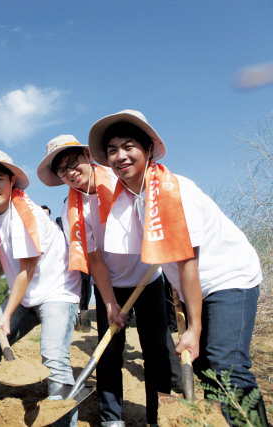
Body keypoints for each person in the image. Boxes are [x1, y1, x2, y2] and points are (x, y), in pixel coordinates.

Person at [88, 109, 269, 426]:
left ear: (148, 150)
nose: (119, 156)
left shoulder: (174, 191)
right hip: (195, 285)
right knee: (204, 367)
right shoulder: (133, 200)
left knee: (226, 364)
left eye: (128, 146)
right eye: (112, 150)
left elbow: (187, 262)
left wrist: (194, 329)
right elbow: (165, 260)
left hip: (230, 277)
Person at [37, 134, 168, 426]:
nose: (71, 172)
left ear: (87, 156)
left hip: (149, 276)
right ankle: (112, 418)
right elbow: (93, 258)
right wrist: (109, 302)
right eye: (62, 170)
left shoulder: (120, 180)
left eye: (74, 162)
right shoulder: (71, 209)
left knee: (156, 351)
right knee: (108, 353)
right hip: (112, 283)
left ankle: (158, 417)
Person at [0, 150, 82, 427]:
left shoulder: (25, 214)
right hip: (29, 292)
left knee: (54, 358)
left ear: (12, 181)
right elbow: (1, 257)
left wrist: (6, 314)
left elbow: (26, 270)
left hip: (58, 291)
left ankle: (61, 423)